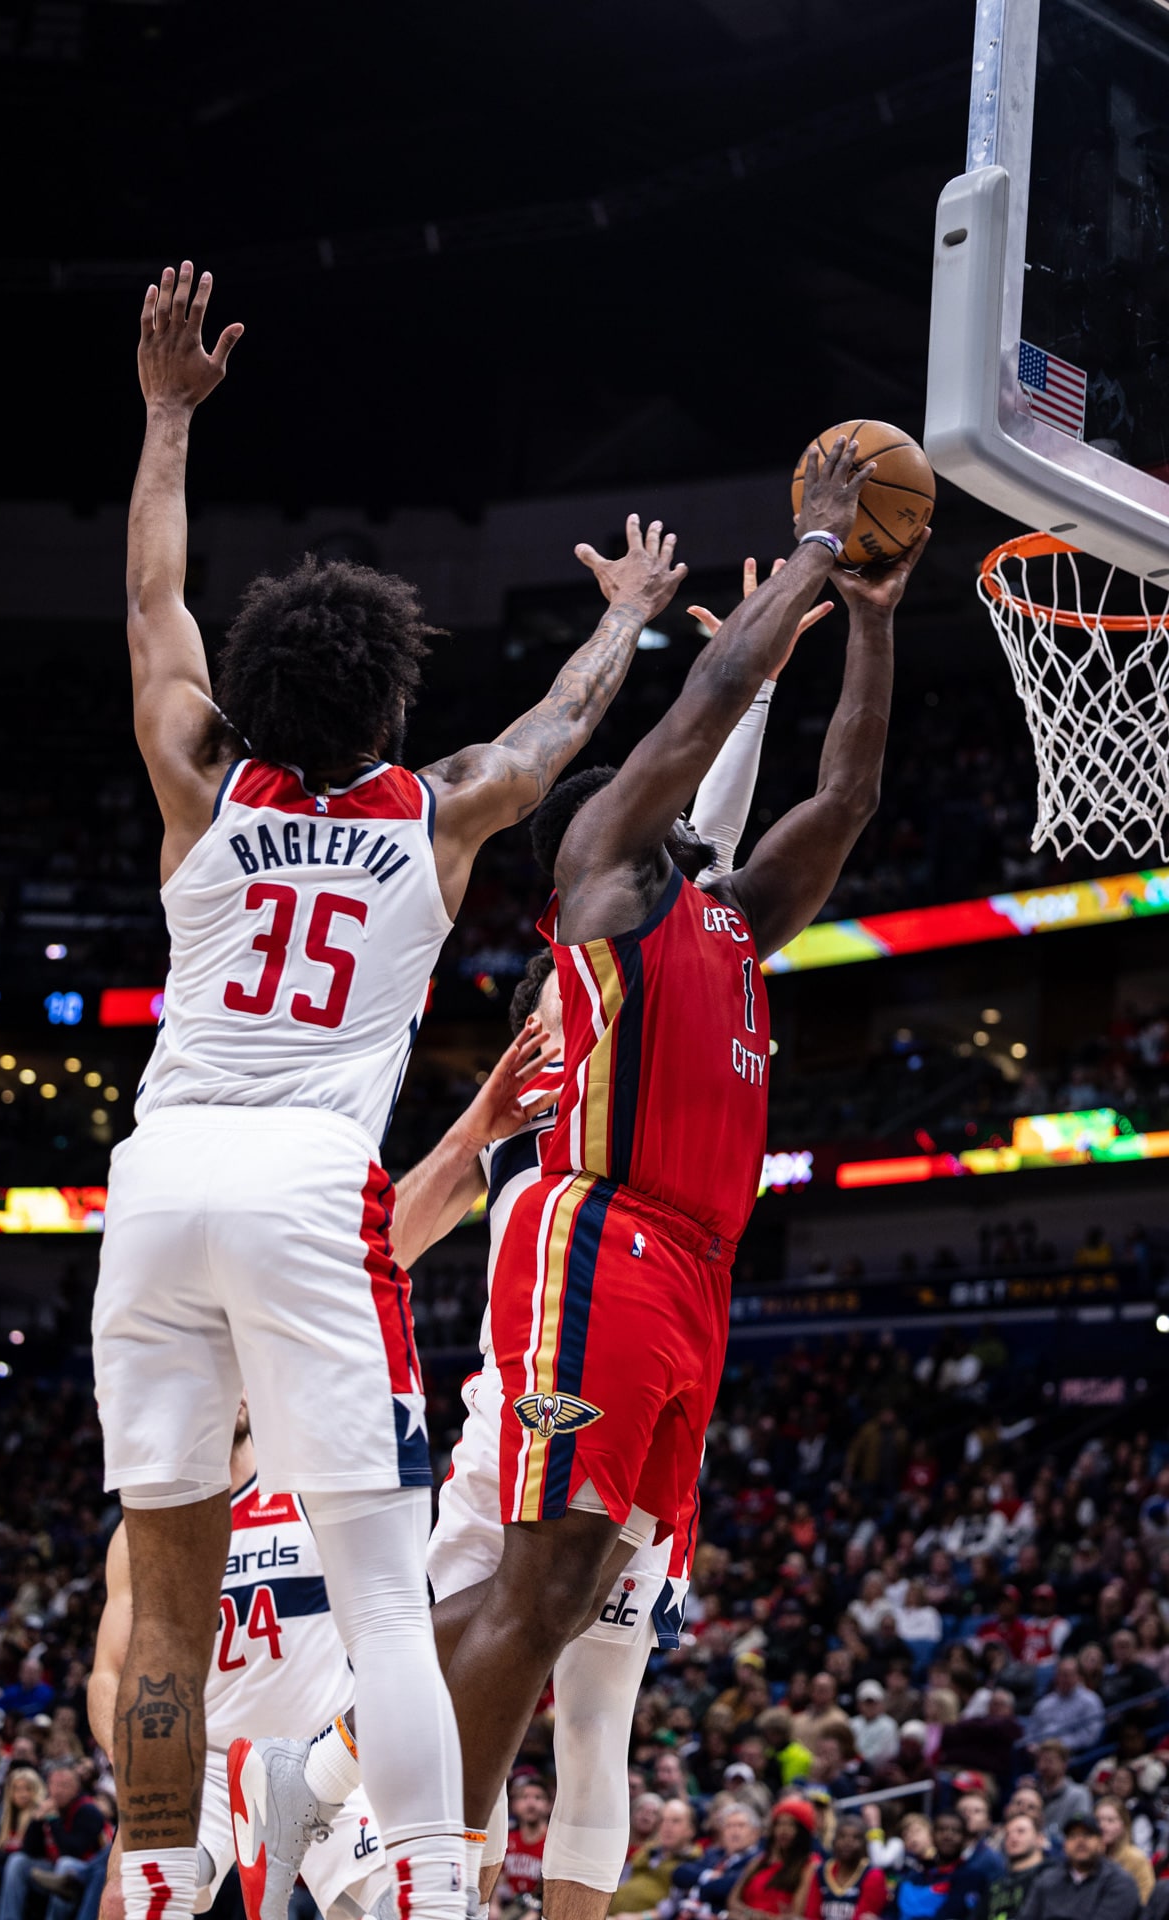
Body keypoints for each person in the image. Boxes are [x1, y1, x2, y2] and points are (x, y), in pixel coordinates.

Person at [93, 255, 689, 1920]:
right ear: (388, 701)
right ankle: (425, 1882)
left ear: (261, 695)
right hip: (302, 1193)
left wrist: (163, 422)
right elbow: (560, 731)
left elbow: (154, 605)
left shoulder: (198, 778)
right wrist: (625, 619)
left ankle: (153, 1883)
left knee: (163, 1596)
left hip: (158, 1187)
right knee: (377, 1595)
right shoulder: (434, 813)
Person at [442, 442, 928, 1865]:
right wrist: (819, 548)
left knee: (578, 1595)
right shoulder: (604, 865)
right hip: (598, 1240)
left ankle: (392, 1805)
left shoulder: (732, 919)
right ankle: (416, 1859)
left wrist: (878, 632)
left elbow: (843, 806)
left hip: (696, 1274)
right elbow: (709, 699)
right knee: (533, 1600)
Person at [381, 553, 831, 1920]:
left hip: (643, 1296)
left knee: (594, 1697)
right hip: (550, 1330)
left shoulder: (652, 948)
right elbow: (683, 859)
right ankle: (357, 1802)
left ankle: (372, 1809)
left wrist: (754, 698)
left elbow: (701, 864)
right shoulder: (573, 1017)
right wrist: (738, 683)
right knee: (501, 1646)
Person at [90, 1402, 394, 1920]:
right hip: (202, 1762)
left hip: (321, 1751)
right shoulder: (144, 1530)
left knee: (391, 1910)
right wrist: (135, 1763)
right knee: (124, 1902)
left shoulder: (308, 1490)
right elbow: (109, 1673)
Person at [0, 1763, 108, 1920]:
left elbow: (72, 1851)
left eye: (65, 1785)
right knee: (18, 1861)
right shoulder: (48, 1807)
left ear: (76, 1789)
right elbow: (29, 1850)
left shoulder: (88, 1810)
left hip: (80, 1873)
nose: (58, 1791)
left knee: (65, 1863)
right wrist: (36, 1820)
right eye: (54, 1785)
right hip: (50, 1869)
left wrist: (54, 1820)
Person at [1015, 1815, 1140, 1920]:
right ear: (1064, 1846)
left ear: (1102, 1844)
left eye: (1087, 1835)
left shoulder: (1120, 1882)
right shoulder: (1046, 1880)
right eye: (1073, 1836)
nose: (1080, 1841)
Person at [726, 1799, 818, 1920]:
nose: (783, 1830)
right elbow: (732, 1900)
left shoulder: (809, 1865)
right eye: (779, 1824)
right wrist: (751, 1914)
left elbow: (797, 1913)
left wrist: (764, 1917)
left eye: (791, 1825)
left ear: (802, 1830)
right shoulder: (759, 1861)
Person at [612, 1801, 702, 1916]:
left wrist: (642, 1917)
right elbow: (621, 1881)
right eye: (663, 1820)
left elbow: (673, 1907)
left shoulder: (692, 1863)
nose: (667, 1826)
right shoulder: (648, 1851)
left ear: (691, 1830)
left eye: (675, 1821)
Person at [894, 1810, 986, 1920]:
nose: (948, 1835)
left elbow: (952, 1913)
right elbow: (892, 1911)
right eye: (942, 1830)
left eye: (955, 1831)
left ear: (965, 1838)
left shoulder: (971, 1876)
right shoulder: (914, 1874)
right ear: (932, 1836)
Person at [804, 1815, 887, 1920]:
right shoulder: (821, 1871)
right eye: (842, 1836)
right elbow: (812, 1915)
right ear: (833, 1841)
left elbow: (863, 1916)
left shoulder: (874, 1875)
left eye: (856, 1838)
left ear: (864, 1844)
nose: (848, 1842)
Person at [1022, 1664, 1105, 1756]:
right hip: (1041, 1753)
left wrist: (1059, 1745)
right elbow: (1031, 1732)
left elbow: (1090, 1735)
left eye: (1067, 1675)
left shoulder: (1090, 1700)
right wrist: (1032, 1745)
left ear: (1078, 1677)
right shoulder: (1044, 1703)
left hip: (1072, 1753)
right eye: (1060, 1675)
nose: (1064, 1679)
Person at [499, 1777, 552, 1908]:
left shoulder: (553, 1844)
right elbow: (499, 1880)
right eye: (524, 1797)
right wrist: (494, 1905)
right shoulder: (507, 1839)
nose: (531, 1803)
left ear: (549, 1805)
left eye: (538, 1798)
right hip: (508, 1909)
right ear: (514, 1805)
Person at [1092, 1798, 1153, 1905]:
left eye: (1110, 1820)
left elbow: (1146, 1900)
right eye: (1098, 1820)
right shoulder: (1086, 1858)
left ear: (1123, 1825)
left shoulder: (1136, 1859)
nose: (1102, 1826)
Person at [985, 1815, 1046, 1920]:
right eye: (1007, 1834)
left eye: (1021, 1831)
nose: (1012, 1837)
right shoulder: (996, 1884)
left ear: (1039, 1839)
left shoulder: (1050, 1876)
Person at [1033, 1743, 1095, 1837]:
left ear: (1064, 1764)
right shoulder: (1033, 1794)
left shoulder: (1079, 1794)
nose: (1044, 1765)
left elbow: (1081, 1827)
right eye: (1041, 1760)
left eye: (1050, 1760)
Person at [849, 1684, 899, 1771]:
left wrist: (858, 1759)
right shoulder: (852, 1723)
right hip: (853, 1768)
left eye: (873, 1703)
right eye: (866, 1703)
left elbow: (883, 1755)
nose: (870, 1707)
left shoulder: (889, 1725)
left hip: (879, 1771)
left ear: (881, 1704)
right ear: (859, 1705)